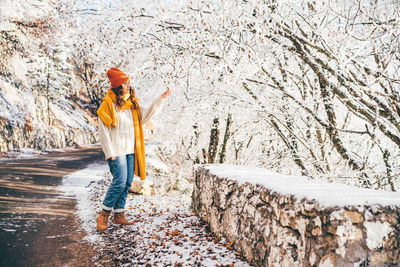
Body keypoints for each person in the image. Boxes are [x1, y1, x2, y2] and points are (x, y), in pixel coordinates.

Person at [96, 68, 170, 231]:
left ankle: (119, 215)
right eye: (125, 83)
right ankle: (103, 214)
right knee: (119, 182)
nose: (128, 85)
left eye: (128, 82)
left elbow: (145, 116)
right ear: (117, 86)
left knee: (127, 182)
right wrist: (109, 152)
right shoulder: (108, 105)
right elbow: (103, 132)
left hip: (130, 150)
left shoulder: (132, 104)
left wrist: (160, 100)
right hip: (117, 151)